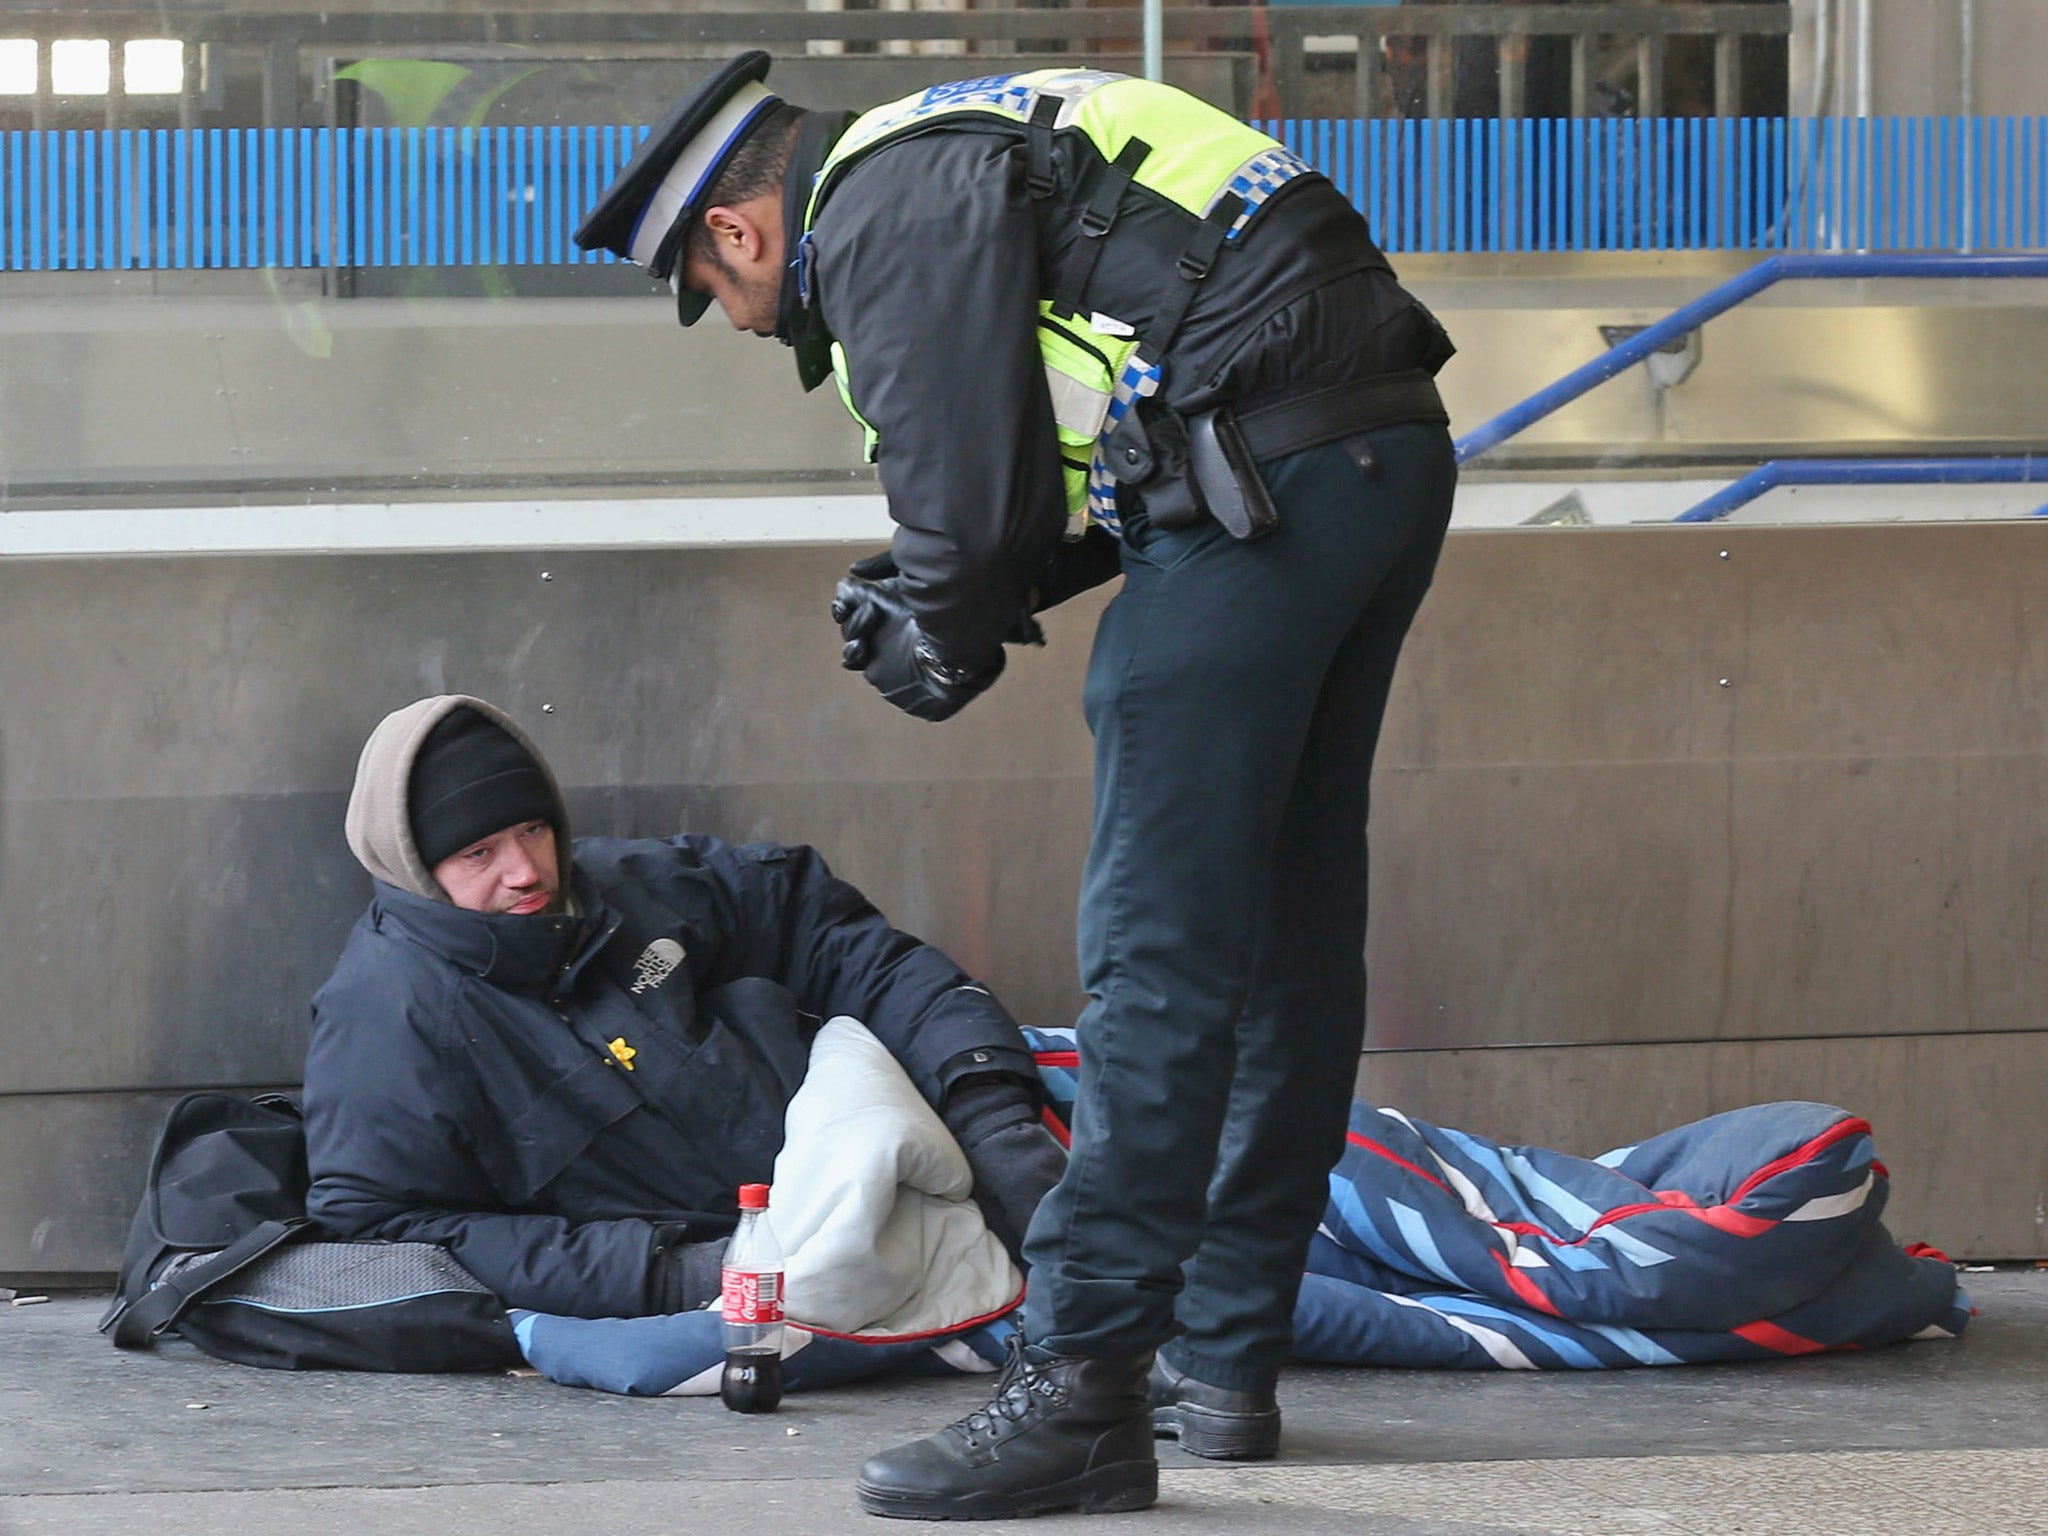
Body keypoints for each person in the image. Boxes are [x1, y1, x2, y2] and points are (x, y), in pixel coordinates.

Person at [576, 55, 1458, 1520]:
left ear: (738, 230)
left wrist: (939, 614)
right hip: (1358, 455)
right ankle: (1222, 1365)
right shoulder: (958, 151)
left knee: (1158, 956)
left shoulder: (871, 206)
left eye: (713, 294)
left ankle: (1083, 1389)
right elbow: (1057, 474)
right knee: (1290, 938)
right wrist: (939, 598)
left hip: (1264, 481)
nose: (741, 323)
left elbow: (971, 517)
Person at [302, 694, 1065, 1320]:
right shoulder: (387, 1018)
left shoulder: (642, 887)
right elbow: (385, 1229)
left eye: (533, 829)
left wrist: (985, 1103)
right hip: (713, 1272)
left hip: (872, 1172)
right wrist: (666, 1275)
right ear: (416, 869)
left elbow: (845, 946)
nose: (527, 871)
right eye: (479, 853)